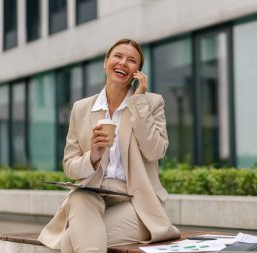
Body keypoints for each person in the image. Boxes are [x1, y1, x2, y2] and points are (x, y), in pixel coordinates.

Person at [38, 38, 180, 253]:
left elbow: (155, 152)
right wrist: (92, 156)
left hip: (138, 203)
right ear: (106, 63)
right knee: (79, 197)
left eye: (132, 60)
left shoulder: (151, 103)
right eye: (118, 56)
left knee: (70, 241)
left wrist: (138, 103)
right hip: (93, 195)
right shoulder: (82, 108)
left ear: (137, 72)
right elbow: (69, 166)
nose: (123, 62)